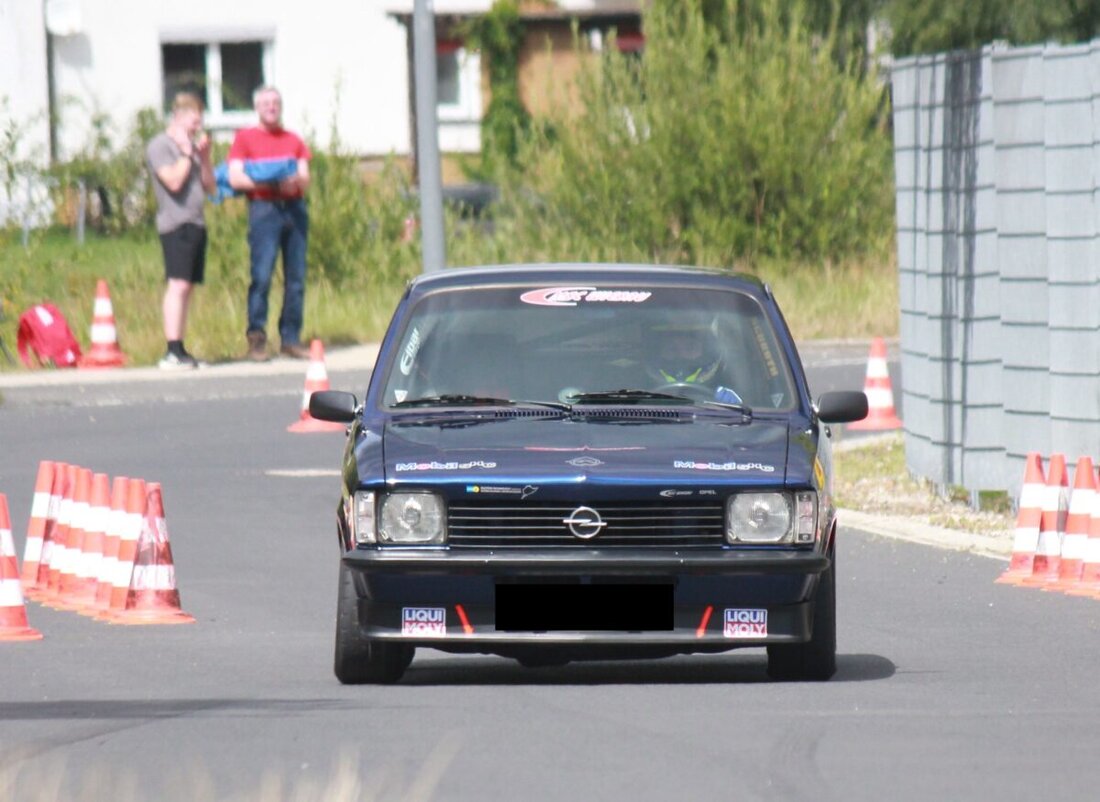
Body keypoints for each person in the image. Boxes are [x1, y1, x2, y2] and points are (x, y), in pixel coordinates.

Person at [227, 86, 312, 361]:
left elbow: (304, 177)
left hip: (294, 208)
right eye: (266, 103)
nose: (271, 107)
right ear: (257, 107)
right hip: (264, 209)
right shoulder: (245, 139)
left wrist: (293, 183)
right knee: (262, 276)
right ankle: (256, 338)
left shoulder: (294, 139)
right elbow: (235, 178)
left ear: (281, 106)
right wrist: (270, 182)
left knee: (296, 278)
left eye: (275, 102)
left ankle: (290, 337)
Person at [146, 92, 216, 369]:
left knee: (188, 288)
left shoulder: (194, 148)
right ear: (177, 116)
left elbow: (210, 187)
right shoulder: (160, 146)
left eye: (199, 116)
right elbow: (173, 181)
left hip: (196, 222)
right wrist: (187, 154)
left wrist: (205, 157)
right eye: (192, 116)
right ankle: (171, 350)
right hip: (175, 223)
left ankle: (181, 348)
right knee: (178, 284)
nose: (197, 123)